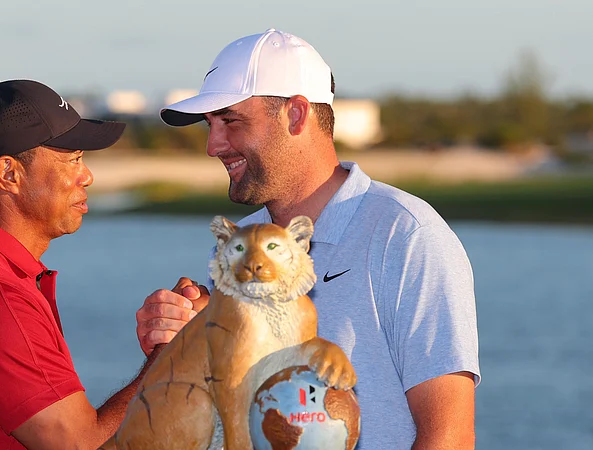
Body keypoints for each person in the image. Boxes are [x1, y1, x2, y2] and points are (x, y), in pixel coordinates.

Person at [136, 29, 480, 449]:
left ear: (296, 115)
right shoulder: (237, 246)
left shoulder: (406, 235)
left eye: (230, 120)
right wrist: (175, 349)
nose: (213, 146)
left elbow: (449, 437)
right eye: (210, 125)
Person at [0, 79, 178, 449]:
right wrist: (174, 354)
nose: (87, 176)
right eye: (73, 159)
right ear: (9, 175)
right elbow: (84, 445)